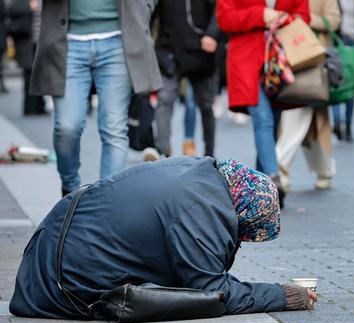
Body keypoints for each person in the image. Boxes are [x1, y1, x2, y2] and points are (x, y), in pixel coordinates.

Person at [9, 157, 317, 319]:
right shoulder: (200, 214)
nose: (244, 241)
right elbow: (212, 292)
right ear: (244, 218)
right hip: (61, 287)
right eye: (248, 235)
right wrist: (284, 296)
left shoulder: (200, 173)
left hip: (52, 252)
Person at [30, 0, 162, 196]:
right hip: (67, 41)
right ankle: (70, 190)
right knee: (67, 127)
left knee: (114, 129)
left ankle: (104, 204)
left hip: (118, 39)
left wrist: (143, 8)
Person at [216, 0, 311, 208]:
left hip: (281, 63)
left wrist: (284, 19)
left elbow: (304, 16)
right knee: (263, 119)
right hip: (246, 61)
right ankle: (273, 179)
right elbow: (224, 19)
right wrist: (260, 15)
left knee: (273, 123)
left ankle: (261, 191)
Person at [276, 0, 340, 191]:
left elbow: (334, 21)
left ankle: (280, 168)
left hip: (315, 61)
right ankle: (324, 170)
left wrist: (305, 19)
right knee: (306, 120)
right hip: (290, 59)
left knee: (303, 116)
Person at [152, 0, 220, 159]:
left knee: (206, 105)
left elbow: (219, 11)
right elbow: (146, 13)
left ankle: (209, 154)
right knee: (164, 99)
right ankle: (162, 150)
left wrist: (212, 34)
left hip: (200, 52)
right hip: (169, 52)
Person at [7, 0, 45, 115]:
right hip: (27, 42)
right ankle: (29, 108)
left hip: (43, 43)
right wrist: (28, 7)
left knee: (42, 74)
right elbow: (11, 10)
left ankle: (40, 106)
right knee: (29, 74)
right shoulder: (22, 2)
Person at [332, 0, 354, 142]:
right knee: (336, 83)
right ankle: (337, 122)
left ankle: (348, 124)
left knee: (350, 85)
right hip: (338, 42)